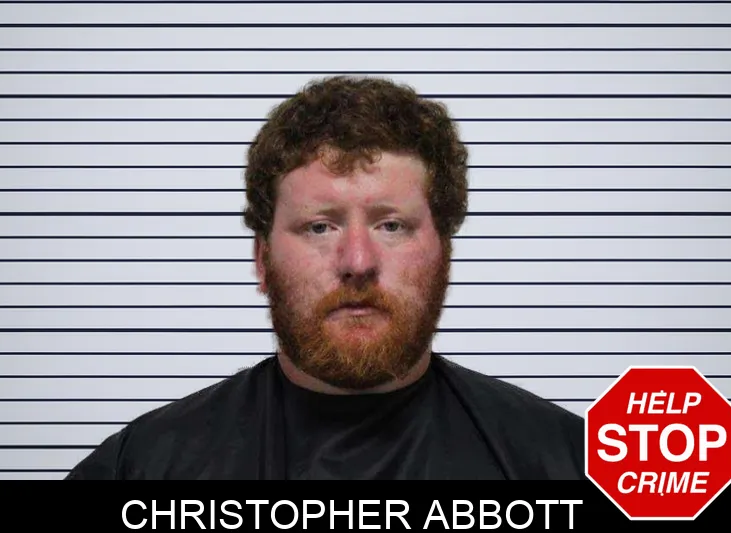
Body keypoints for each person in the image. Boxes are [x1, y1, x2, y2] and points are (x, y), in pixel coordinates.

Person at [65, 75, 585, 480]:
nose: (357, 261)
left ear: (444, 254)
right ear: (262, 260)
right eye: (319, 226)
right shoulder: (141, 469)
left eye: (391, 225)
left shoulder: (568, 464)